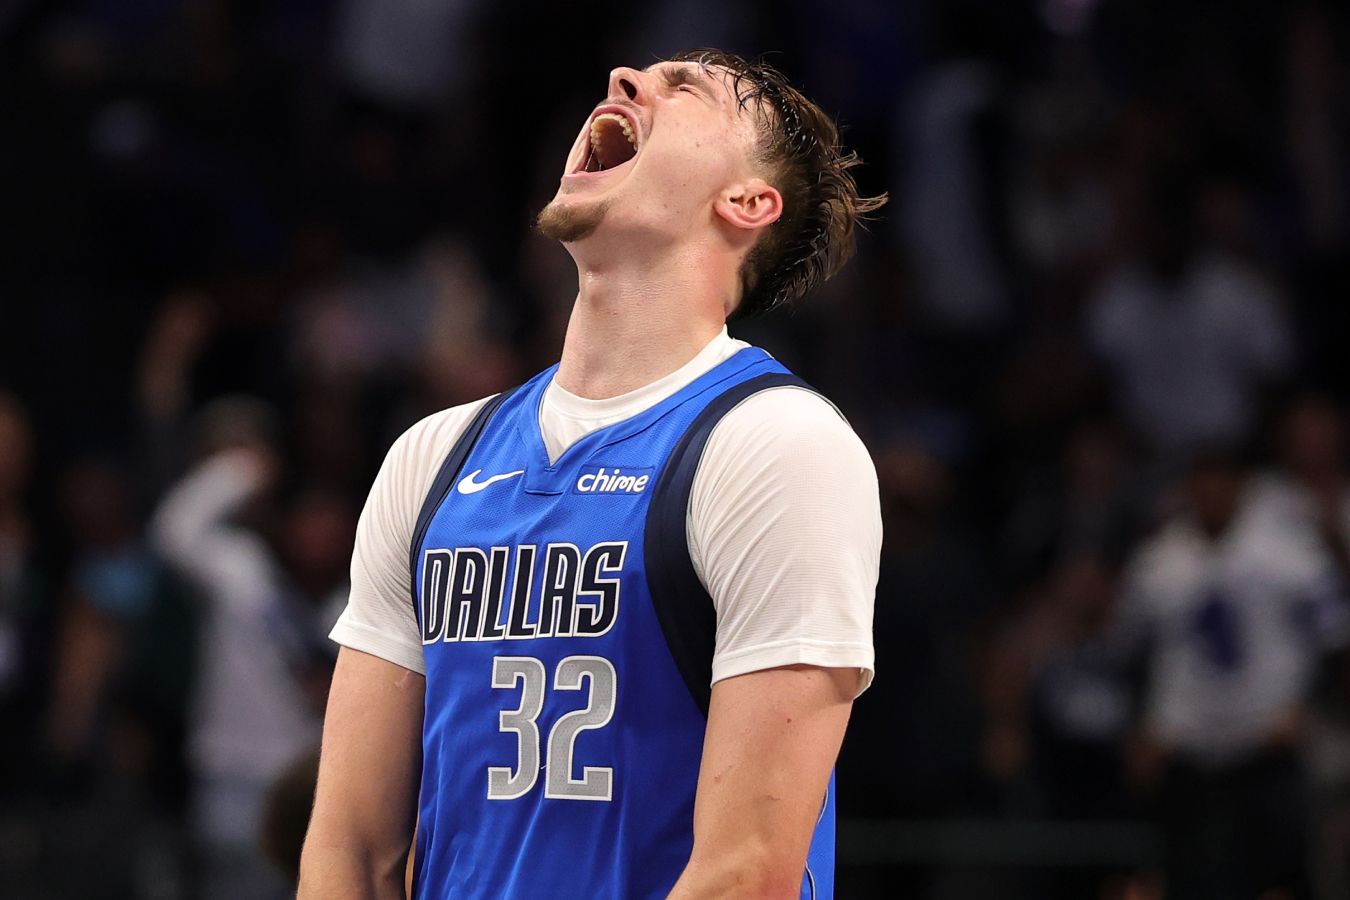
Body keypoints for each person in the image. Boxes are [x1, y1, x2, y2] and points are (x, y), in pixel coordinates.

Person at [299, 48, 885, 899]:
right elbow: (349, 853)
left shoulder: (777, 446)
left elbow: (746, 872)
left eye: (686, 89)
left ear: (748, 202)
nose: (625, 80)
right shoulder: (432, 455)